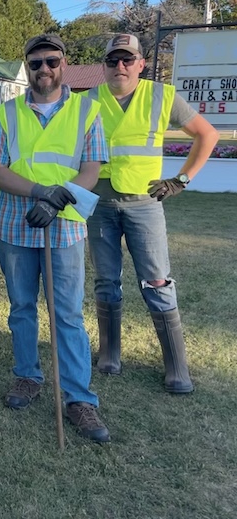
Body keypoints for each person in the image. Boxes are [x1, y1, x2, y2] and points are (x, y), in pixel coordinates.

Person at [0, 34, 110, 443]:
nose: (44, 70)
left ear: (64, 64)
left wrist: (58, 202)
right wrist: (39, 193)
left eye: (51, 61)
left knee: (67, 314)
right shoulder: (6, 114)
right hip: (14, 226)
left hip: (65, 225)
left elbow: (91, 169)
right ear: (27, 67)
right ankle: (27, 377)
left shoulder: (87, 111)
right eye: (35, 63)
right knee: (22, 308)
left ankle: (78, 398)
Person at [85, 34, 219, 393]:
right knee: (105, 281)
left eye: (128, 60)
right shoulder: (87, 101)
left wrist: (181, 179)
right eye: (113, 60)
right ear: (104, 67)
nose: (120, 67)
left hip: (145, 204)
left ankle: (177, 367)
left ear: (141, 64)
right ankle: (109, 354)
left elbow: (207, 135)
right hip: (100, 204)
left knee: (157, 281)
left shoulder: (162, 96)